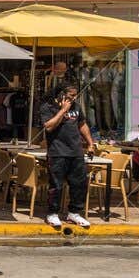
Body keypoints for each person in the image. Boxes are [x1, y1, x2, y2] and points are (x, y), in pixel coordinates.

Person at [39, 81, 95, 229]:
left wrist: (90, 143)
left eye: (76, 95)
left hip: (76, 152)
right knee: (56, 185)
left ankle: (74, 213)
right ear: (61, 94)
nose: (74, 98)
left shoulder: (76, 107)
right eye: (71, 95)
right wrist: (63, 110)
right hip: (57, 152)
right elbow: (49, 127)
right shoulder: (48, 107)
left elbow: (82, 124)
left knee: (79, 184)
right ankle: (52, 213)